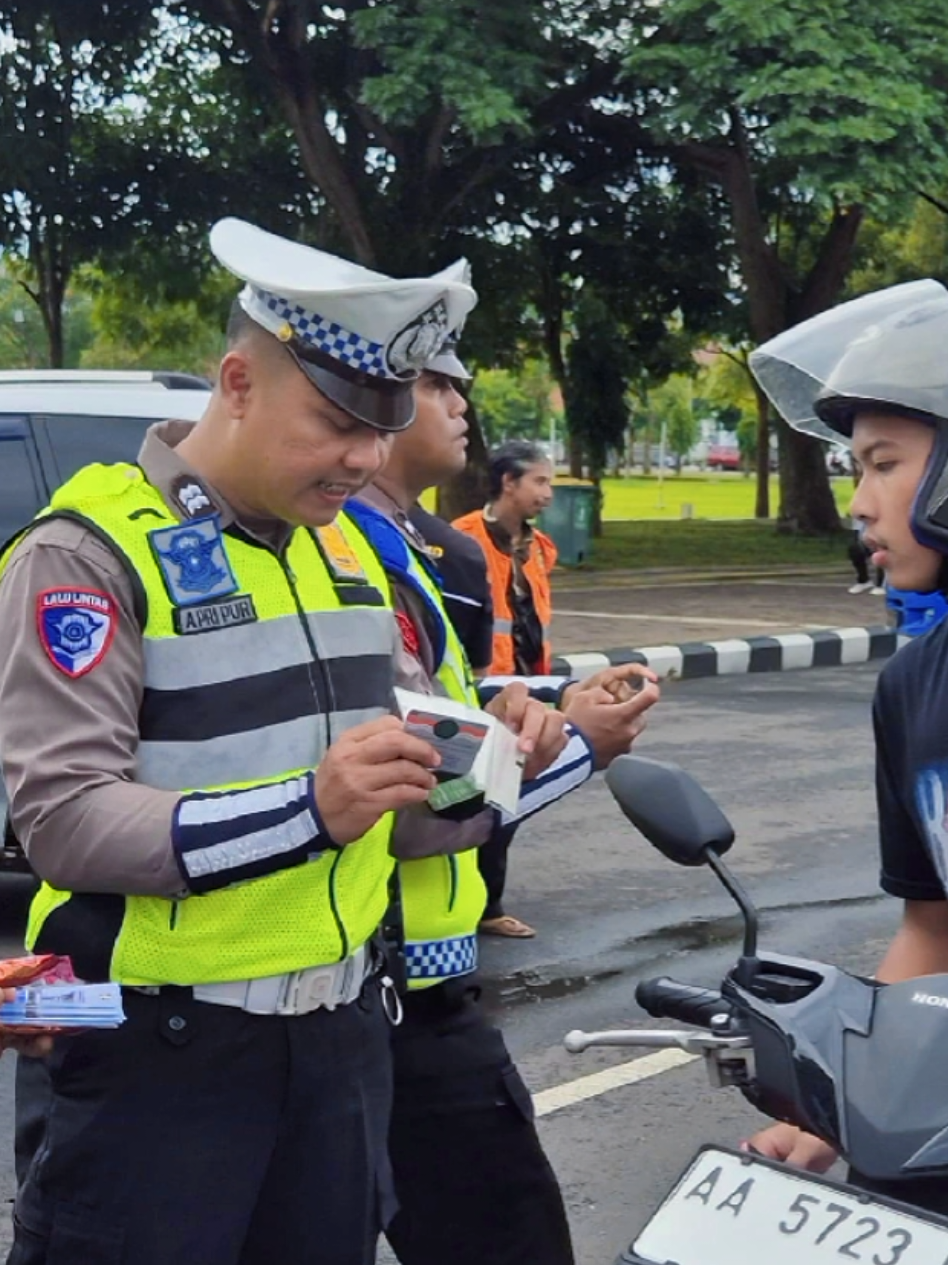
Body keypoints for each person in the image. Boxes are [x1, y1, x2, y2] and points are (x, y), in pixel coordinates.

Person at [0, 217, 484, 1265]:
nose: (365, 455)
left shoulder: (348, 549)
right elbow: (66, 820)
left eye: (381, 424)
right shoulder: (85, 553)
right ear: (236, 381)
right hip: (156, 1060)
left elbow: (403, 819)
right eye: (335, 420)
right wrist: (313, 807)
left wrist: (499, 764)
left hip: (343, 1042)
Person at [346, 332, 660, 1265]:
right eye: (438, 381)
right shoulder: (341, 551)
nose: (461, 405)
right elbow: (415, 787)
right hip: (375, 992)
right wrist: (580, 752)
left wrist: (543, 708)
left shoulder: (416, 545)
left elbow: (434, 715)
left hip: (419, 984)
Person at [747, 279, 948, 1214]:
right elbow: (931, 928)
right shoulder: (912, 688)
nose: (859, 503)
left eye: (883, 462)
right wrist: (847, 1099)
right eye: (852, 468)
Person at [452, 440, 557, 937]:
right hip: (477, 691)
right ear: (508, 483)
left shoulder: (539, 548)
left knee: (505, 801)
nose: (548, 493)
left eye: (550, 482)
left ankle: (484, 904)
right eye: (539, 481)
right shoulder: (461, 541)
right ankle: (476, 907)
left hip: (524, 691)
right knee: (471, 800)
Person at [847, 514, 885, 595]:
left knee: (879, 551)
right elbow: (856, 530)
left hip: (882, 534)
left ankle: (881, 584)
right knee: (854, 550)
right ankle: (864, 581)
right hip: (865, 536)